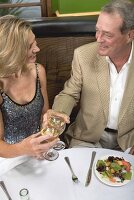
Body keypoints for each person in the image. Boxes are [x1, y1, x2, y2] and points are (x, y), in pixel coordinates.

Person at [44, 0, 134, 154]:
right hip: (87, 139)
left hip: (128, 142)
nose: (98, 38)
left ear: (130, 35)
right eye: (97, 30)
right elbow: (69, 93)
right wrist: (58, 113)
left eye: (107, 34)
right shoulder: (83, 55)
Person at [0, 15, 59, 159]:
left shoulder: (38, 71)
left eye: (35, 42)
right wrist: (23, 149)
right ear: (12, 51)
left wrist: (51, 120)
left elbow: (45, 113)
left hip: (40, 149)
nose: (37, 49)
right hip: (10, 156)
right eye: (29, 46)